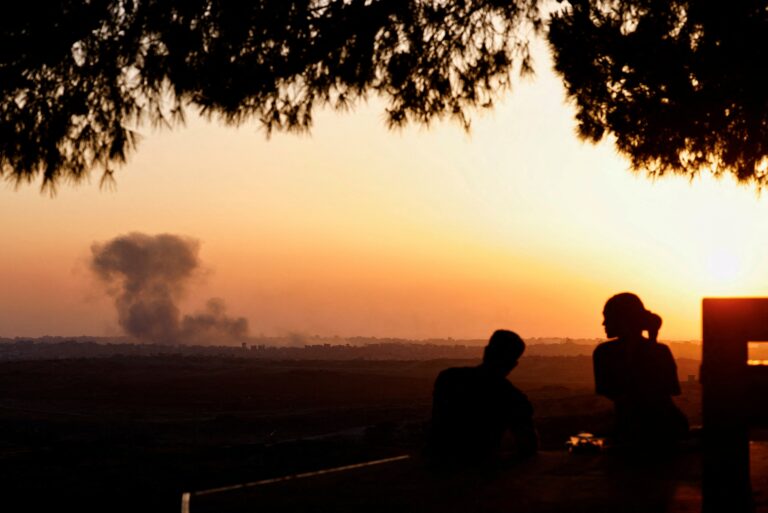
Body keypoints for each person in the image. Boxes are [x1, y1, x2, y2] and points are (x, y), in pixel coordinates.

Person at [427, 329, 538, 467]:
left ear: (486, 351)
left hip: (437, 463)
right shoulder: (513, 398)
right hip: (476, 469)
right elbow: (528, 446)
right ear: (513, 364)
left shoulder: (449, 379)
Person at [593, 292, 688, 446]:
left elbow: (610, 390)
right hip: (668, 427)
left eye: (608, 317)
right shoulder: (660, 351)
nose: (604, 323)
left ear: (622, 319)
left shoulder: (604, 353)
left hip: (636, 430)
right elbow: (672, 389)